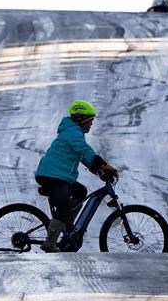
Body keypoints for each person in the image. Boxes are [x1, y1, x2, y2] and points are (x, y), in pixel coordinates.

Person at [34, 99, 118, 252]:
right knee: (65, 208)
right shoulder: (72, 133)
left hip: (59, 176)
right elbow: (85, 150)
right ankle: (50, 242)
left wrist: (100, 171)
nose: (91, 124)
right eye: (90, 120)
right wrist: (103, 165)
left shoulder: (74, 132)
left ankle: (67, 226)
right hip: (52, 176)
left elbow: (84, 157)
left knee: (80, 192)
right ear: (81, 119)